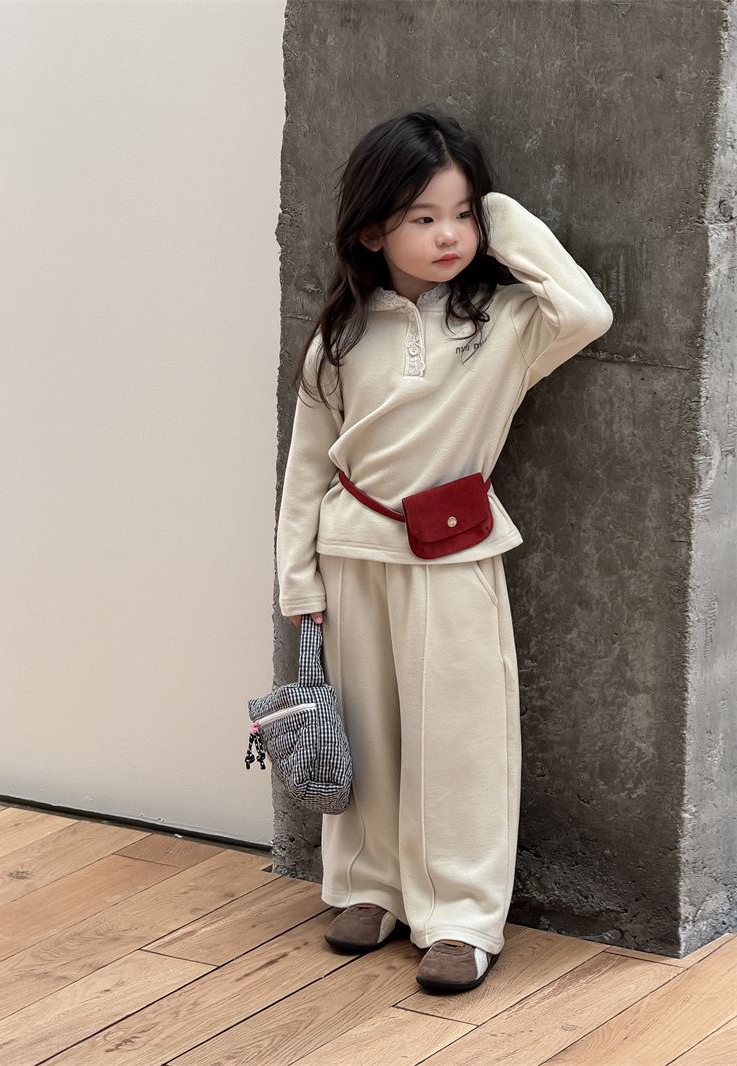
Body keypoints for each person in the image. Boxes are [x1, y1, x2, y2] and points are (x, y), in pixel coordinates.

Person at [276, 111, 613, 993]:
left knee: (461, 738)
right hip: (352, 555)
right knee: (370, 733)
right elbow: (307, 468)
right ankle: (369, 886)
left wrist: (499, 212)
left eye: (462, 214)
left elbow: (588, 311)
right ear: (371, 230)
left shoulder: (505, 323)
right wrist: (298, 582)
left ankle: (461, 917)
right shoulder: (340, 338)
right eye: (423, 217)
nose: (449, 235)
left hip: (453, 555)